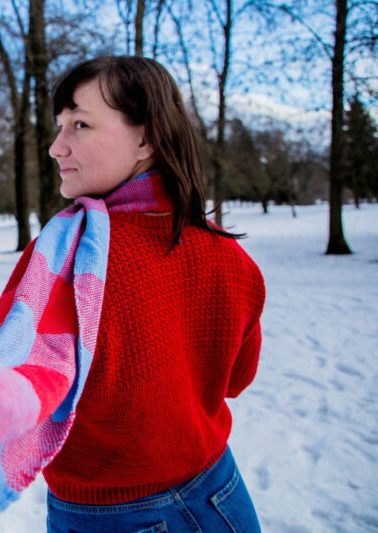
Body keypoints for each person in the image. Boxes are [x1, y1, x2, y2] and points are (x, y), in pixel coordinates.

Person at [36, 56, 266, 532]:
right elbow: (235, 381)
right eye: (60, 126)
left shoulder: (70, 259)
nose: (57, 147)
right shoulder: (227, 254)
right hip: (220, 496)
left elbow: (13, 391)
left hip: (113, 516)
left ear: (146, 138)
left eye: (80, 124)